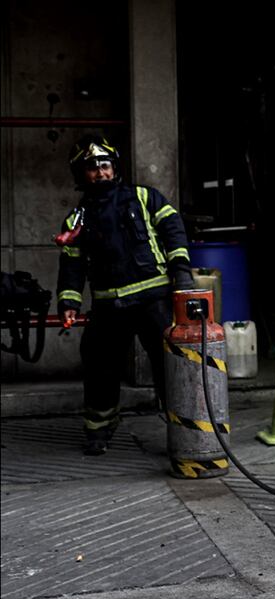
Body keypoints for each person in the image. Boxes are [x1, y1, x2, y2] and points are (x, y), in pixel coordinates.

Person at [56, 135, 194, 455]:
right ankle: (99, 429)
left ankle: (185, 430)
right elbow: (72, 266)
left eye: (106, 165)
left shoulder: (145, 197)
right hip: (108, 305)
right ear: (81, 174)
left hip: (153, 299)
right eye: (92, 167)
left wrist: (181, 269)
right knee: (99, 365)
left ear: (115, 167)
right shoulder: (76, 219)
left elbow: (173, 228)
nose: (101, 172)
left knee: (169, 365)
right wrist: (68, 303)